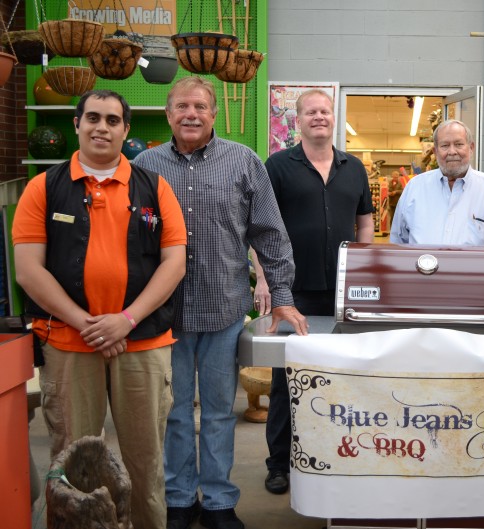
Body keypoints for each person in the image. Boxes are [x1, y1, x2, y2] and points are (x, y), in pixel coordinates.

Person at [134, 77, 308, 529]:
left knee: (216, 413)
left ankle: (217, 501)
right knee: (171, 414)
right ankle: (177, 498)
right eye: (181, 106)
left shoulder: (244, 162)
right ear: (167, 114)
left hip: (223, 312)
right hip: (162, 316)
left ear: (213, 113)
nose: (191, 114)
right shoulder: (144, 166)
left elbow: (269, 233)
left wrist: (283, 296)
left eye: (200, 106)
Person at [13, 89, 187, 529]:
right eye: (93, 117)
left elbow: (175, 263)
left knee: (146, 462)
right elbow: (28, 271)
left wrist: (125, 321)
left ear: (126, 130)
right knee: (73, 463)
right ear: (77, 124)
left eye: (113, 120)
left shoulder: (155, 188)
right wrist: (88, 325)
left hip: (143, 342)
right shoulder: (44, 188)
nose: (102, 127)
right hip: (70, 343)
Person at [259, 88, 374, 496]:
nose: (319, 117)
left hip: (344, 294)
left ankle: (336, 454)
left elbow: (364, 224)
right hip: (294, 293)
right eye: (311, 112)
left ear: (333, 117)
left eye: (325, 111)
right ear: (299, 120)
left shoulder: (354, 168)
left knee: (341, 378)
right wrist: (265, 281)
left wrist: (362, 269)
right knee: (285, 380)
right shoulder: (277, 167)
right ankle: (279, 465)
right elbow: (261, 228)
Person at [390, 119, 484, 246]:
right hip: (420, 266)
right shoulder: (414, 188)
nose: (452, 152)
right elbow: (397, 243)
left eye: (459, 144)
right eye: (445, 145)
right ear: (435, 152)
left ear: (471, 148)